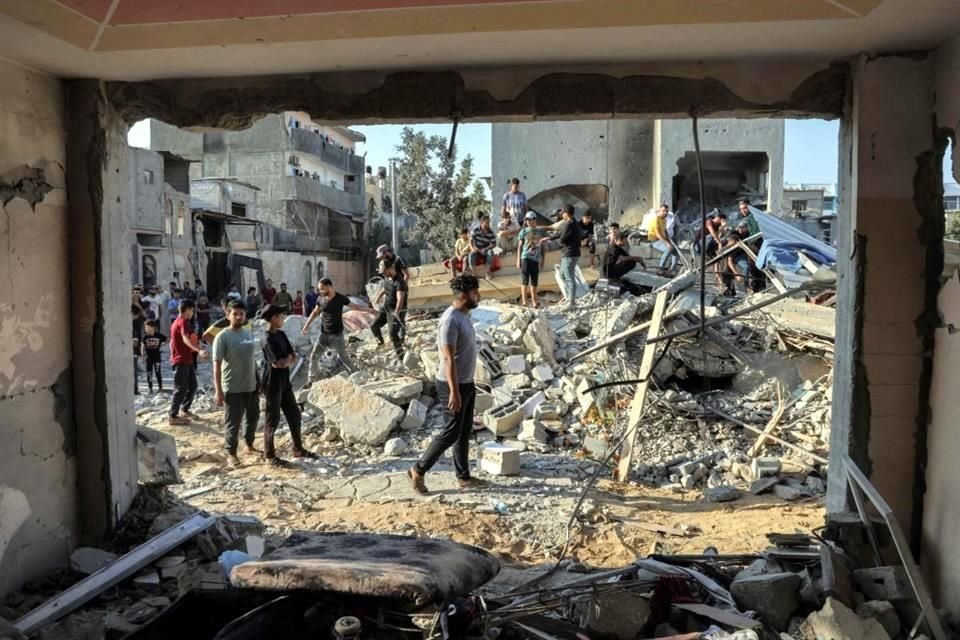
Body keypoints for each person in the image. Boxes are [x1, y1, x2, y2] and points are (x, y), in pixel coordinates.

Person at [408, 275, 483, 495]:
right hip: (452, 384)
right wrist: (454, 391)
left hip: (466, 382)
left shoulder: (465, 316)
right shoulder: (450, 320)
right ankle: (418, 470)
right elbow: (447, 358)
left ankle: (463, 477)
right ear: (462, 295)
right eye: (474, 292)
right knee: (451, 432)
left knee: (464, 431)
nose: (477, 295)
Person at [259, 305, 316, 465]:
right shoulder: (266, 338)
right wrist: (288, 359)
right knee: (273, 419)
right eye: (280, 316)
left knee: (294, 414)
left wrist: (288, 359)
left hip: (284, 381)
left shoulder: (281, 334)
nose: (283, 319)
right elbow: (279, 363)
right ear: (272, 318)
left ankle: (298, 449)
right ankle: (269, 455)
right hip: (272, 382)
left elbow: (292, 355)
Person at [212, 300, 261, 467]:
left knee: (253, 418)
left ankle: (249, 445)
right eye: (235, 314)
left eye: (242, 313)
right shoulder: (222, 337)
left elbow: (252, 360)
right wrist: (218, 391)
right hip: (232, 388)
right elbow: (216, 366)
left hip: (251, 385)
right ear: (228, 315)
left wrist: (258, 381)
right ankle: (231, 453)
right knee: (233, 422)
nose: (239, 316)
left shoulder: (248, 333)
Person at [302, 278, 367, 380]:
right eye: (319, 289)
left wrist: (369, 310)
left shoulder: (340, 298)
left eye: (322, 289)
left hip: (337, 335)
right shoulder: (320, 299)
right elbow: (315, 312)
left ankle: (357, 375)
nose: (320, 291)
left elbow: (355, 306)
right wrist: (306, 326)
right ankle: (311, 379)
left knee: (344, 358)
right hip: (323, 335)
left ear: (329, 287)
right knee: (314, 356)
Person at [169, 299, 208, 425]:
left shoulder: (179, 323)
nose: (193, 313)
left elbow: (175, 341)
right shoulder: (182, 322)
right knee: (180, 389)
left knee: (193, 386)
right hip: (181, 360)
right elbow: (186, 339)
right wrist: (198, 350)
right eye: (192, 310)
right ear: (186, 310)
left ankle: (185, 409)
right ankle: (172, 415)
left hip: (187, 360)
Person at [540, 204, 581, 309]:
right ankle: (568, 298)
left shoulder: (569, 224)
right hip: (568, 253)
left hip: (570, 253)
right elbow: (562, 234)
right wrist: (549, 239)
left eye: (563, 213)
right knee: (562, 274)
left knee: (569, 277)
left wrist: (551, 238)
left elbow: (562, 239)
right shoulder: (572, 223)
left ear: (566, 213)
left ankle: (571, 302)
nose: (561, 214)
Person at [371, 259, 408, 362]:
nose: (384, 274)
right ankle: (380, 344)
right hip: (386, 308)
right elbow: (385, 288)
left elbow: (400, 298)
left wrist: (397, 312)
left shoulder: (400, 281)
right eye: (382, 273)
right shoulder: (387, 278)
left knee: (392, 334)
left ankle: (401, 356)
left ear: (391, 268)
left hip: (396, 310)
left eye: (385, 272)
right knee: (374, 325)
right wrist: (379, 296)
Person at [516, 211, 547, 308]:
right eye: (527, 220)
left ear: (534, 220)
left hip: (535, 259)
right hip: (525, 257)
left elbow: (543, 247)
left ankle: (534, 302)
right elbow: (520, 246)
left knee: (534, 281)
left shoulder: (540, 231)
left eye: (530, 220)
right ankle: (525, 302)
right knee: (525, 280)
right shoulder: (523, 231)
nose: (528, 222)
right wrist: (518, 259)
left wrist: (543, 260)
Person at [647, 204, 679, 276]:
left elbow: (665, 231)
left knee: (676, 250)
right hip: (654, 241)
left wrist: (669, 240)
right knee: (669, 249)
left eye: (667, 211)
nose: (665, 213)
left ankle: (672, 269)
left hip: (661, 240)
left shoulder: (664, 220)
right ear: (659, 211)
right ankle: (660, 268)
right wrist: (667, 243)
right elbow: (658, 234)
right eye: (663, 211)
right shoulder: (656, 219)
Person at [141, 319, 167, 393]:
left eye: (147, 327)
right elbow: (142, 346)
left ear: (152, 327)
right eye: (145, 327)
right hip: (148, 358)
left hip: (157, 357)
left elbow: (167, 339)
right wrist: (143, 355)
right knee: (149, 373)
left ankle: (160, 388)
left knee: (158, 372)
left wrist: (162, 345)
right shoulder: (145, 336)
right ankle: (150, 388)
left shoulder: (158, 335)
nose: (146, 329)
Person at [132, 304, 144, 396]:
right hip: (133, 352)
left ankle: (135, 390)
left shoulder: (135, 324)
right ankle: (134, 390)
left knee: (134, 372)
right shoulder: (131, 326)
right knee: (133, 372)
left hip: (134, 352)